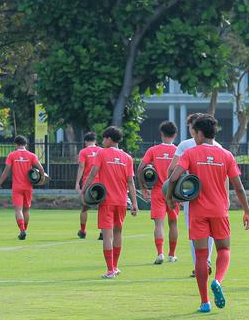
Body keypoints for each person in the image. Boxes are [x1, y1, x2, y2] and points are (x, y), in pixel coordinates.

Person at [166, 115, 249, 312]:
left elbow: (173, 178)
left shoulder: (191, 153)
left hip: (198, 212)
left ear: (200, 133)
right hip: (220, 211)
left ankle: (204, 302)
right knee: (224, 250)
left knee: (201, 256)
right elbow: (239, 188)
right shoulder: (226, 155)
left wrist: (170, 199)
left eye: (194, 133)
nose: (193, 136)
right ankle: (218, 281)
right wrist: (246, 211)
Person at [83, 126, 137, 278]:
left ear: (108, 139)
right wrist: (134, 203)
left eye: (103, 138)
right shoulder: (127, 157)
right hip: (122, 201)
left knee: (107, 235)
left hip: (107, 201)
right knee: (118, 232)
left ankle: (110, 270)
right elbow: (131, 182)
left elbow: (93, 173)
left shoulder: (101, 152)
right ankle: (116, 266)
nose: (102, 141)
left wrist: (83, 189)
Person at [174, 113, 220, 277]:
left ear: (196, 129)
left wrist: (172, 193)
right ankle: (204, 262)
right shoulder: (217, 147)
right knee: (210, 234)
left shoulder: (186, 145)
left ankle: (200, 264)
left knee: (196, 233)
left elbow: (172, 170)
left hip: (192, 196)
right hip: (211, 198)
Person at [138, 120, 180, 264]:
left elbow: (140, 169)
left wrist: (143, 188)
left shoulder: (153, 150)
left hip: (157, 192)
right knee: (173, 223)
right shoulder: (179, 151)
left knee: (159, 225)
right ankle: (171, 255)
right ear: (175, 134)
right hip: (174, 192)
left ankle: (160, 253)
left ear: (161, 134)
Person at [0, 135, 47, 240]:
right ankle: (24, 231)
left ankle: (22, 230)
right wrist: (42, 179)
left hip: (17, 187)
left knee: (18, 210)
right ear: (25, 144)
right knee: (26, 211)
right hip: (28, 187)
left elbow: (6, 171)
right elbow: (40, 168)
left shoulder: (12, 155)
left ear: (16, 145)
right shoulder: (32, 155)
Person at [75, 132, 99, 239]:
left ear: (85, 142)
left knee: (84, 207)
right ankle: (103, 232)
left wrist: (77, 183)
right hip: (101, 184)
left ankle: (83, 231)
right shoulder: (102, 150)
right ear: (95, 141)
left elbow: (81, 167)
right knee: (103, 209)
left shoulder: (83, 151)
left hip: (88, 183)